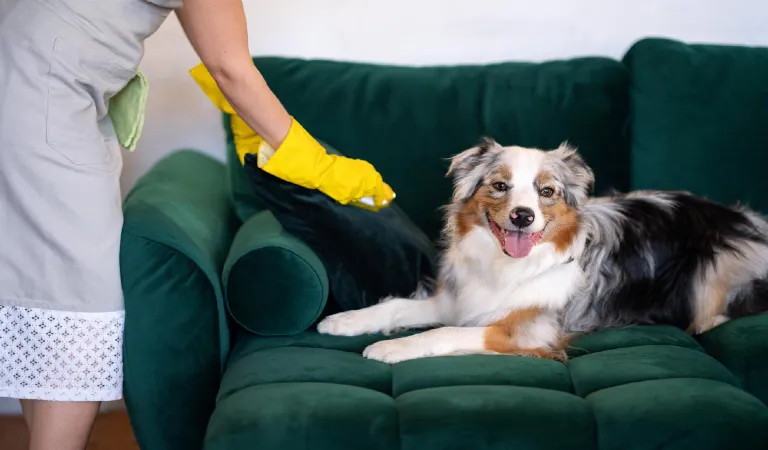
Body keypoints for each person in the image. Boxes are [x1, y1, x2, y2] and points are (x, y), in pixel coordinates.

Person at [0, 0, 393, 448]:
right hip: (42, 94)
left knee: (41, 293)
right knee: (78, 303)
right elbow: (229, 67)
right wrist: (319, 166)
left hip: (27, 79)